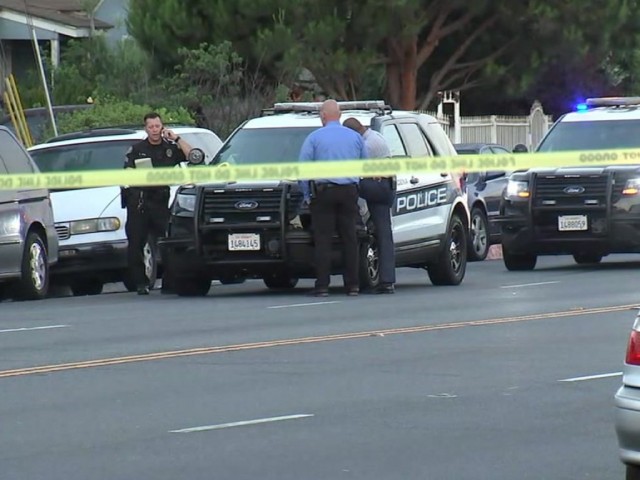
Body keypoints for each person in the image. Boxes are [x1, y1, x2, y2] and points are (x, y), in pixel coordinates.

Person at [298, 99, 368, 297]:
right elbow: (366, 165)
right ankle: (352, 285)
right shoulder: (355, 137)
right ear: (340, 115)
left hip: (324, 193)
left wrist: (307, 195)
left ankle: (322, 286)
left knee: (323, 240)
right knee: (350, 238)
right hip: (349, 192)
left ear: (323, 116)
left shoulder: (314, 138)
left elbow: (303, 170)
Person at [121, 112, 193, 295]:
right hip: (140, 201)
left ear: (162, 127)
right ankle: (141, 283)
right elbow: (126, 173)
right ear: (145, 129)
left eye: (157, 126)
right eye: (151, 127)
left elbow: (192, 155)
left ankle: (170, 281)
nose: (154, 130)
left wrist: (176, 138)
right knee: (136, 243)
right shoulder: (137, 149)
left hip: (160, 201)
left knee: (168, 242)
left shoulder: (169, 148)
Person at [343, 117, 396, 294]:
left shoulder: (368, 144)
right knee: (383, 232)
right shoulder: (374, 136)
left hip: (377, 187)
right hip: (383, 186)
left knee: (379, 232)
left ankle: (384, 281)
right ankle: (386, 280)